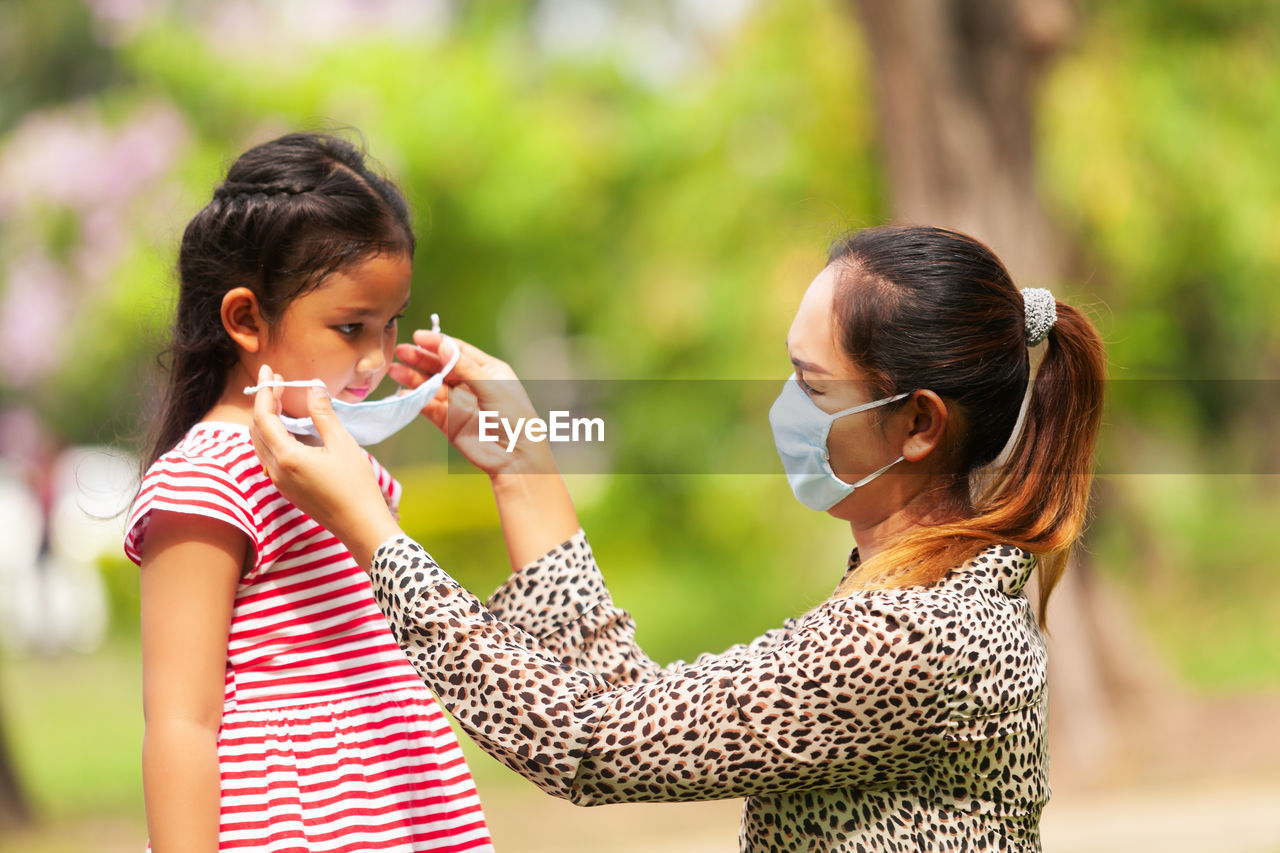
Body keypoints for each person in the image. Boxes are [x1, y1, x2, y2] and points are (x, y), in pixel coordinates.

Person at [250, 225, 1105, 852]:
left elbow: (588, 742)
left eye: (812, 383)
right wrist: (523, 469)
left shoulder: (914, 634)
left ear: (917, 422)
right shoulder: (930, 595)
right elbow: (632, 708)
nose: (785, 404)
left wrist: (373, 531)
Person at [124, 132, 493, 853]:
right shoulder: (208, 479)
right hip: (299, 816)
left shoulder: (337, 460)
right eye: (350, 327)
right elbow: (180, 722)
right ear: (245, 319)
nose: (377, 360)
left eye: (388, 326)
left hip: (395, 798)